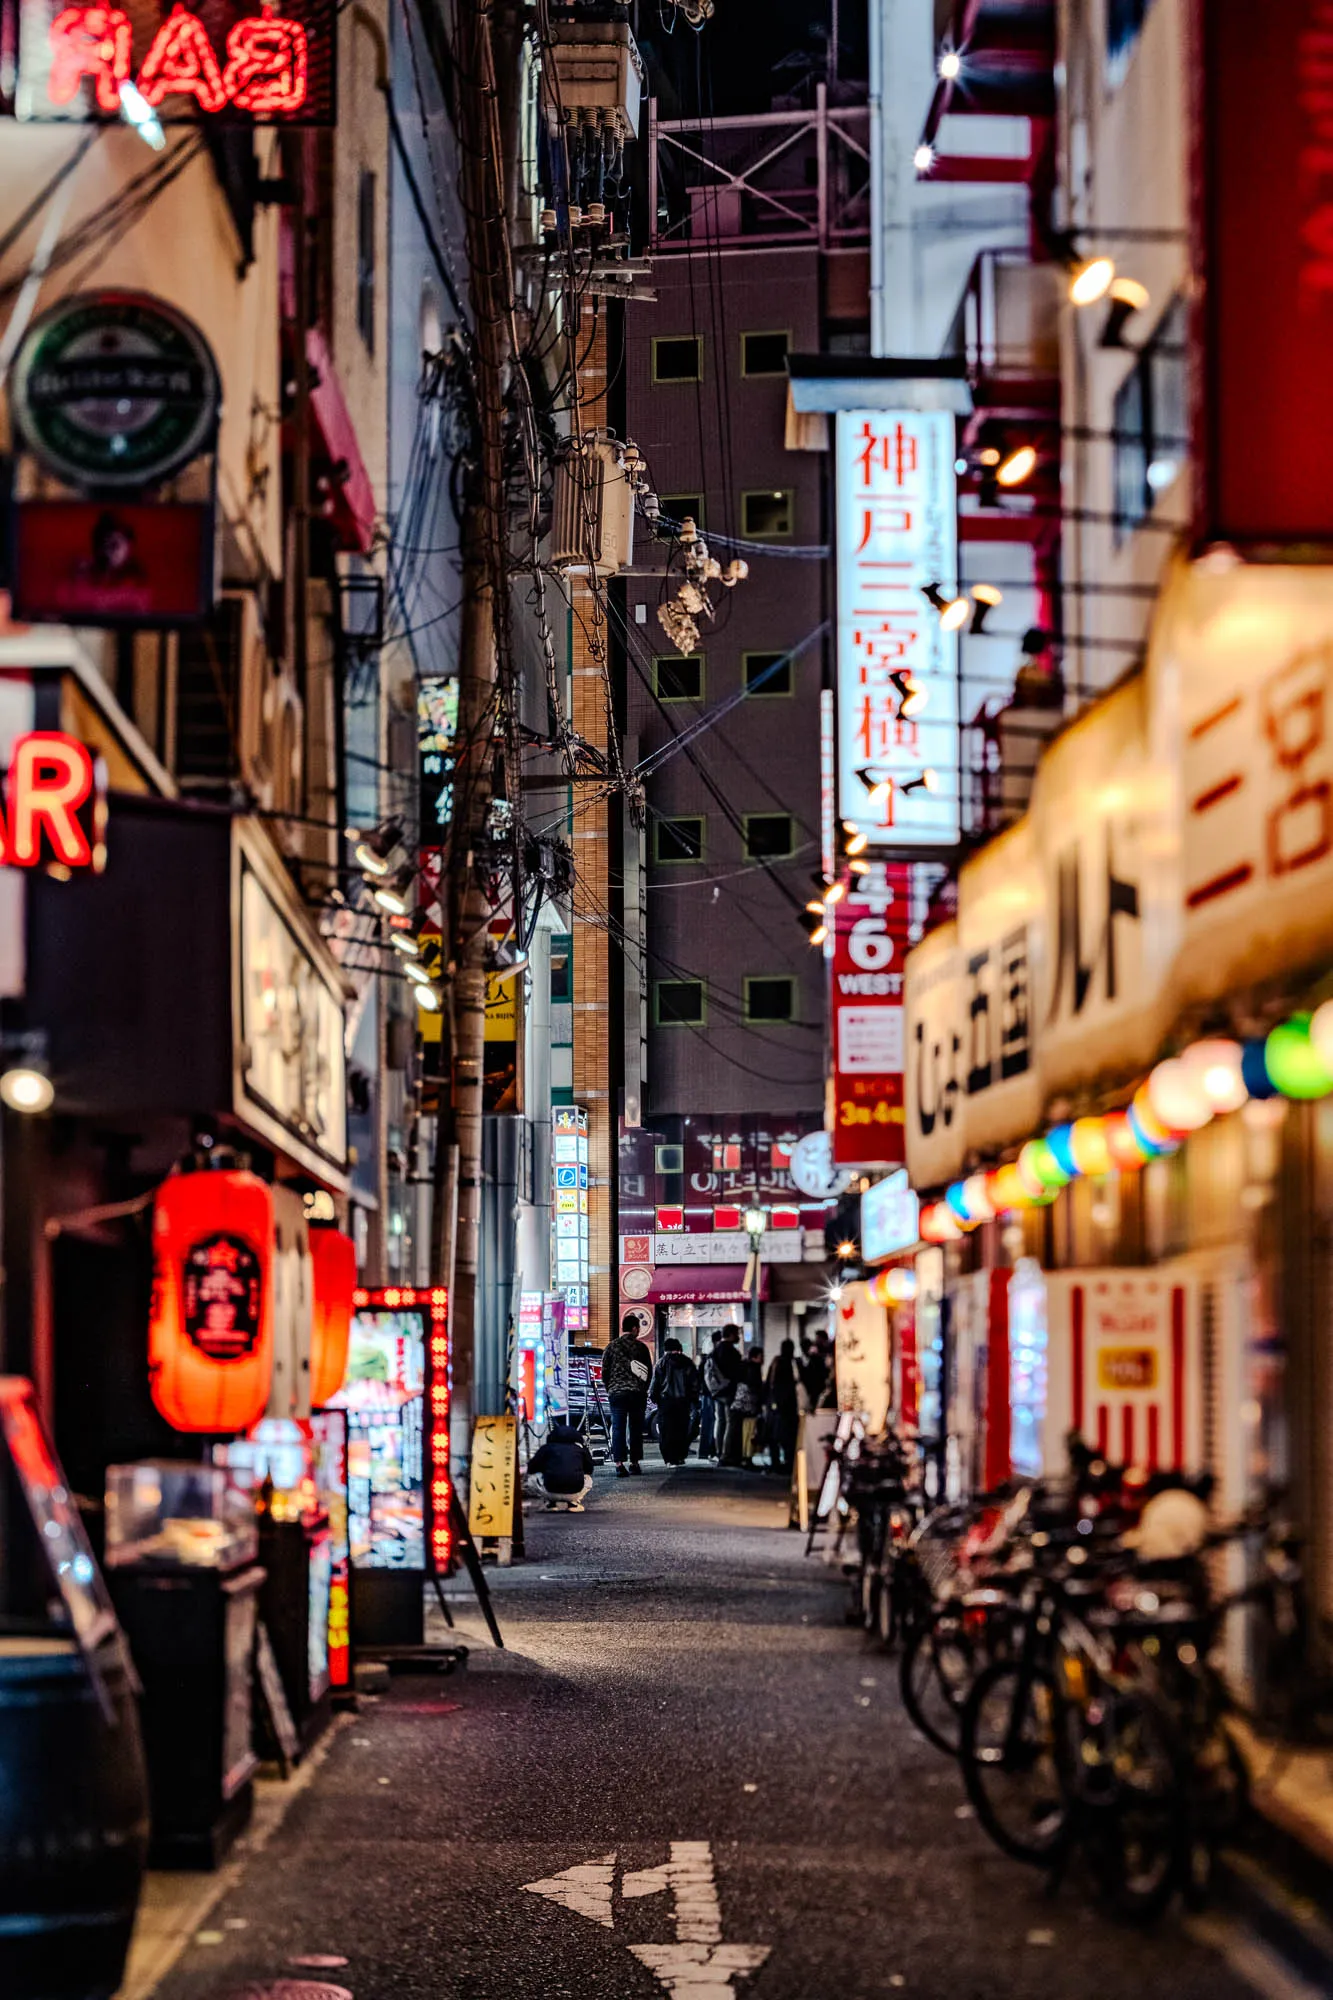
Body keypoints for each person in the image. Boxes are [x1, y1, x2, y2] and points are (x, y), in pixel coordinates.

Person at [601, 1313, 653, 1475]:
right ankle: (635, 1463)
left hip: (617, 1393)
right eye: (638, 1328)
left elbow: (604, 1371)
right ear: (634, 1328)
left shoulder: (611, 1346)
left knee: (618, 1427)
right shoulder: (641, 1347)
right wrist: (644, 1388)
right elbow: (648, 1372)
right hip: (637, 1393)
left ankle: (619, 1464)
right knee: (636, 1428)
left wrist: (610, 1387)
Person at [650, 1338, 700, 1466]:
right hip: (683, 1402)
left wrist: (655, 1398)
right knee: (681, 1429)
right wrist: (693, 1399)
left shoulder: (661, 1363)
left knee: (666, 1431)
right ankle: (680, 1456)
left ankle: (669, 1459)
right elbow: (694, 1384)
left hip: (666, 1402)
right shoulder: (688, 1363)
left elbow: (655, 1384)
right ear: (679, 1349)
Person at [527, 1419, 596, 1510]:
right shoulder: (580, 1450)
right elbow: (589, 1470)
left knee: (532, 1478)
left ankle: (551, 1503)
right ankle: (572, 1503)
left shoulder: (546, 1448)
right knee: (588, 1478)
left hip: (550, 1491)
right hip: (574, 1492)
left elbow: (531, 1468)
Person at [704, 1325, 743, 1463]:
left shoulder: (715, 1350)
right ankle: (727, 1454)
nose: (738, 1336)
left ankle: (719, 1451)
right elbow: (736, 1373)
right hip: (729, 1391)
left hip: (716, 1391)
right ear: (731, 1334)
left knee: (720, 1422)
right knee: (731, 1423)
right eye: (737, 1333)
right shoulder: (731, 1351)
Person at [766, 1337, 800, 1474]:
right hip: (787, 1406)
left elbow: (770, 1383)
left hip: (775, 1406)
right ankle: (788, 1463)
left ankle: (775, 1462)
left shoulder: (776, 1362)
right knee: (788, 1437)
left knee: (774, 1437)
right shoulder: (789, 1363)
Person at [733, 1345, 766, 1466]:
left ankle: (745, 1456)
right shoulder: (754, 1368)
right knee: (751, 1431)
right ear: (756, 1357)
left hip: (740, 1405)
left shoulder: (743, 1366)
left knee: (745, 1431)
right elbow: (755, 1387)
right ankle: (747, 1456)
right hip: (750, 1405)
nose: (763, 1359)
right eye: (761, 1356)